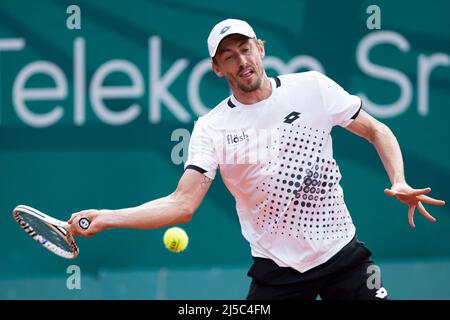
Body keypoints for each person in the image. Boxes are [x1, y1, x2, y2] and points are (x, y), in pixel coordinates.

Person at [68, 18, 445, 300]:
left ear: (260, 49)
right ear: (217, 68)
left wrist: (398, 179)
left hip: (343, 256)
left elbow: (376, 130)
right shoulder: (211, 127)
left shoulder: (312, 87)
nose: (241, 60)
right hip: (277, 273)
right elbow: (182, 205)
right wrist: (106, 219)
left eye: (245, 49)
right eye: (228, 56)